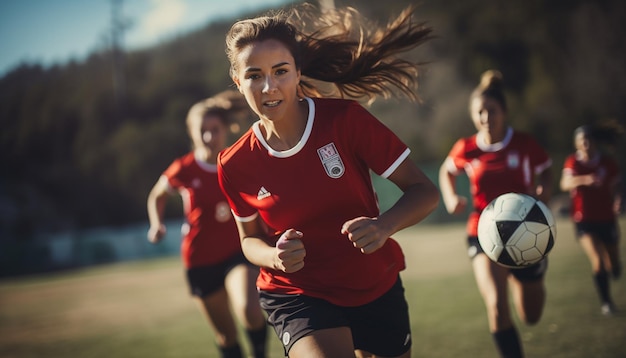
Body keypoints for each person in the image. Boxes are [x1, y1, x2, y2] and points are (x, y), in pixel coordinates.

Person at [217, 4, 439, 358]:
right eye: (254, 75)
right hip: (297, 293)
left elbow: (425, 191)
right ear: (238, 81)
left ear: (298, 71)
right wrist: (275, 257)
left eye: (280, 71)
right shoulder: (234, 163)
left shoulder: (345, 121)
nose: (268, 86)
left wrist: (383, 227)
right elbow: (250, 241)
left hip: (372, 283)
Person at [439, 70, 553, 358]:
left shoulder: (524, 144)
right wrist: (451, 197)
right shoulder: (466, 148)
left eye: (491, 111)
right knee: (497, 308)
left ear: (504, 111)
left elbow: (547, 170)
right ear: (472, 115)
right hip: (483, 231)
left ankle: (523, 278)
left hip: (529, 233)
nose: (486, 118)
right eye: (480, 112)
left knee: (530, 316)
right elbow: (446, 171)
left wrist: (544, 192)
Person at [146, 91, 268, 358]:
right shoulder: (183, 169)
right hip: (200, 259)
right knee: (226, 336)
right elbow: (157, 195)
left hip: (239, 252)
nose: (209, 137)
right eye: (202, 131)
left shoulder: (237, 162)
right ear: (192, 133)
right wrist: (156, 224)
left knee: (249, 309)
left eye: (215, 129)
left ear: (226, 129)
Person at [559, 123, 623, 315]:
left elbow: (618, 186)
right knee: (598, 261)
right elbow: (564, 183)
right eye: (581, 140)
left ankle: (615, 266)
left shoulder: (607, 163)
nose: (586, 143)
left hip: (606, 218)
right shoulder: (573, 163)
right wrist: (583, 180)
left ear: (594, 142)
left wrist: (619, 200)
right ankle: (607, 303)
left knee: (614, 264)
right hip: (583, 220)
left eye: (588, 139)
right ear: (576, 144)